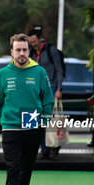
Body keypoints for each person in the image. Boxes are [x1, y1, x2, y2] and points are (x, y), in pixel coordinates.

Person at [0, 33, 54, 185]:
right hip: (10, 127)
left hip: (32, 125)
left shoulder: (39, 72)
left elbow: (48, 100)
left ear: (29, 51)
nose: (22, 53)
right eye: (18, 50)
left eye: (25, 49)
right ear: (12, 52)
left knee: (26, 168)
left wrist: (45, 120)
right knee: (13, 167)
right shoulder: (3, 74)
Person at [28, 27, 64, 159]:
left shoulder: (50, 50)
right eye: (31, 42)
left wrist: (59, 89)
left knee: (50, 120)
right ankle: (44, 148)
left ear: (40, 39)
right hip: (36, 90)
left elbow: (59, 69)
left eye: (35, 41)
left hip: (51, 88)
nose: (33, 44)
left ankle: (53, 146)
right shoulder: (31, 53)